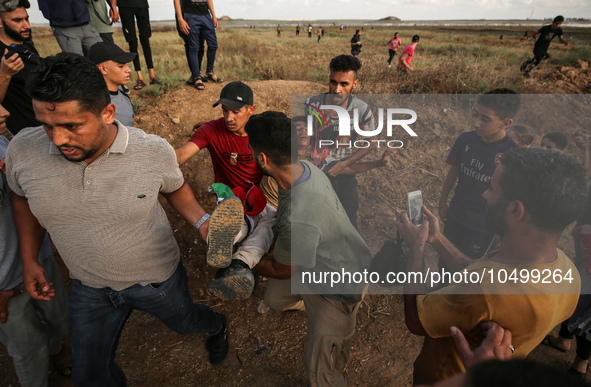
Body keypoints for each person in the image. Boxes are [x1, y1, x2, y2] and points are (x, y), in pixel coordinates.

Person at [5, 53, 229, 385]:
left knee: (186, 322)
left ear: (108, 113)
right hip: (88, 287)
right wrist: (29, 259)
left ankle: (217, 325)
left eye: (72, 125)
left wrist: (202, 223)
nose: (57, 140)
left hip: (156, 281)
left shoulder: (152, 151)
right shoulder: (23, 149)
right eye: (47, 125)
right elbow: (22, 199)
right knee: (90, 376)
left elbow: (175, 188)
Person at [398, 147, 586, 385]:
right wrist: (436, 239)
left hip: (448, 378)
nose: (485, 195)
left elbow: (415, 319)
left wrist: (416, 248)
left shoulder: (488, 288)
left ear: (515, 209)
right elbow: (479, 271)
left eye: (492, 189)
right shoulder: (568, 273)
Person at [247, 111, 372, 387]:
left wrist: (242, 258)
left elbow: (281, 269)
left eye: (252, 149)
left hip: (339, 287)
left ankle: (332, 330)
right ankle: (312, 306)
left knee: (322, 371)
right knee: (274, 300)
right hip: (316, 264)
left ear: (263, 159)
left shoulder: (298, 214)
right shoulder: (303, 169)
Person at [176, 81, 276, 299]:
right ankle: (235, 253)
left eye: (235, 111)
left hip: (260, 197)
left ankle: (237, 263)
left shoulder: (263, 131)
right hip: (231, 200)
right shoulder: (211, 130)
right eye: (224, 111)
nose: (229, 118)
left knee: (271, 220)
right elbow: (181, 155)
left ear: (251, 109)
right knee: (241, 221)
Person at [0, 102, 71, 385]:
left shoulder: (6, 141)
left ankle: (56, 349)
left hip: (38, 261)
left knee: (60, 319)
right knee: (29, 353)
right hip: (5, 287)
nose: (5, 111)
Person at [439, 89, 520, 260]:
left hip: (483, 227)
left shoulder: (513, 155)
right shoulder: (466, 140)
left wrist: (502, 229)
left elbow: (512, 195)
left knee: (467, 272)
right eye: (476, 115)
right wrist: (442, 201)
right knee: (444, 262)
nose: (476, 123)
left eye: (485, 119)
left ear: (505, 123)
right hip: (455, 215)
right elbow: (454, 170)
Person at [305, 55, 376, 229]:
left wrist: (343, 166)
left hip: (345, 178)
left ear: (354, 84)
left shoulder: (362, 110)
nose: (337, 89)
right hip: (317, 176)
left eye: (344, 84)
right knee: (317, 224)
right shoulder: (312, 104)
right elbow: (307, 137)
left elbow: (371, 142)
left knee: (348, 225)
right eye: (333, 82)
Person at [0, 0, 40, 135]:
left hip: (46, 122)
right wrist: (5, 74)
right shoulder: (2, 55)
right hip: (26, 132)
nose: (26, 25)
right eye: (17, 20)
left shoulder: (28, 47)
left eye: (27, 19)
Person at [174, 0, 223, 91]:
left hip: (206, 15)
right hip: (191, 15)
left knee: (213, 45)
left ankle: (209, 72)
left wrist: (214, 16)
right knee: (194, 47)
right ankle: (197, 77)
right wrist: (180, 18)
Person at [88, 41, 137, 127]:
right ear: (103, 69)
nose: (128, 70)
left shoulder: (123, 96)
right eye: (121, 66)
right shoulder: (93, 103)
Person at [117, 0, 161, 90]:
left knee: (145, 39)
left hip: (142, 5)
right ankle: (140, 77)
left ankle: (152, 75)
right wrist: (113, 8)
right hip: (124, 5)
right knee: (132, 41)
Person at [38, 0, 102, 56]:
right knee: (78, 62)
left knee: (104, 55)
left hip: (86, 25)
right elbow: (44, 8)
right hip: (65, 28)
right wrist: (58, 19)